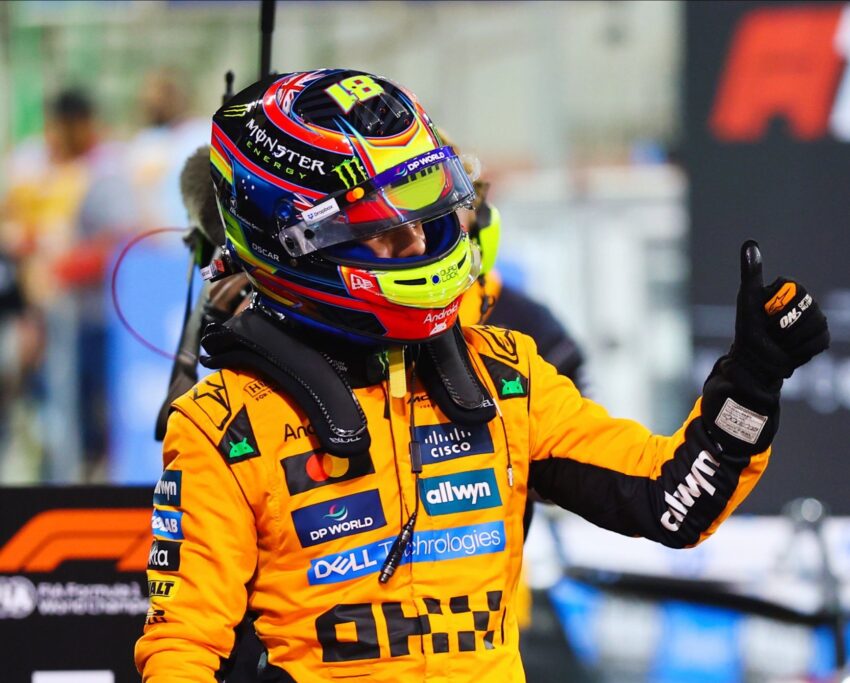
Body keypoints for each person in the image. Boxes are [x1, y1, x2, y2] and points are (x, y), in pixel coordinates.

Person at [135, 69, 829, 682]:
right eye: (381, 226)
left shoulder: (506, 374)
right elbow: (182, 650)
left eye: (425, 214)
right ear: (295, 242)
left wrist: (753, 379)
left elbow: (671, 500)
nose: (415, 240)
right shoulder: (222, 425)